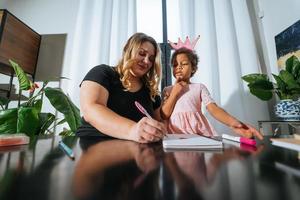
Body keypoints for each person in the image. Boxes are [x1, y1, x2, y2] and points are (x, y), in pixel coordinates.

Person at [161, 36, 263, 140]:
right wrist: (174, 93)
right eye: (175, 65)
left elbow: (213, 109)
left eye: (184, 64)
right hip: (175, 136)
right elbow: (164, 115)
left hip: (197, 135)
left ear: (193, 68)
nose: (178, 67)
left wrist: (234, 123)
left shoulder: (199, 87)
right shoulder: (167, 90)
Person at [76, 32, 166, 143]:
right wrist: (133, 130)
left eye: (151, 59)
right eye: (142, 53)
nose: (147, 61)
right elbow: (91, 110)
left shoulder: (151, 92)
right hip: (96, 144)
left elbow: (159, 121)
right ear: (128, 51)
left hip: (138, 152)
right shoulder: (102, 73)